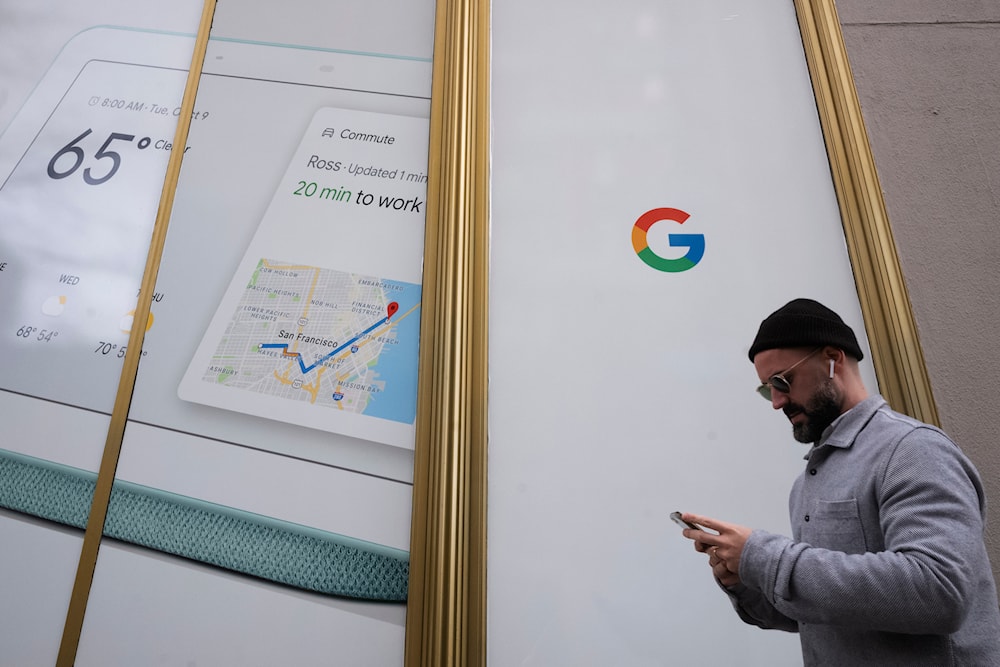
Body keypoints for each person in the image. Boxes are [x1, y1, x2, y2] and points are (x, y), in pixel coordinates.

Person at [680, 298, 1000, 665]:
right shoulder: (806, 484)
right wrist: (744, 580)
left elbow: (940, 592)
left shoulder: (912, 450)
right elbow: (827, 615)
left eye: (782, 381)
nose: (777, 401)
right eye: (768, 388)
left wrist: (763, 557)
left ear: (833, 359)